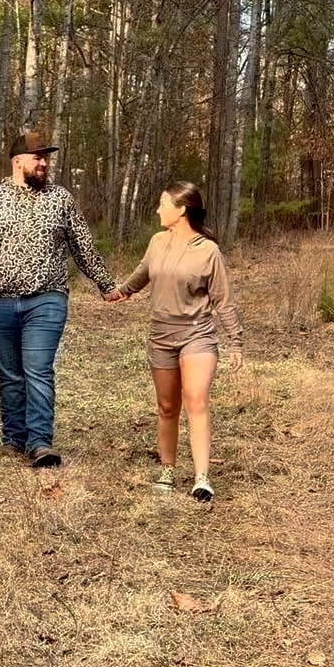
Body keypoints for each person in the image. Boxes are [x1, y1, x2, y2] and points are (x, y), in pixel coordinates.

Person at [0, 130, 121, 468]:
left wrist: (105, 284)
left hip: (46, 300)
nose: (44, 163)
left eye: (47, 158)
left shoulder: (60, 199)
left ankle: (40, 442)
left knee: (38, 369)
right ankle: (14, 438)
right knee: (10, 374)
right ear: (18, 162)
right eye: (38, 157)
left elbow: (83, 246)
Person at [115, 181, 243, 502]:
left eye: (163, 203)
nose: (159, 209)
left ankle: (202, 478)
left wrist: (235, 342)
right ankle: (167, 471)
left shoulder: (208, 251)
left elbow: (223, 301)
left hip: (197, 335)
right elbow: (142, 273)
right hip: (161, 336)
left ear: (181, 209)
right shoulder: (158, 241)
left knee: (196, 397)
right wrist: (120, 291)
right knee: (168, 407)